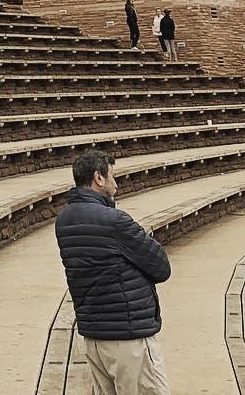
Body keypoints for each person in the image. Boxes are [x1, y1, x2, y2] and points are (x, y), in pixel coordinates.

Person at [55, 149, 171, 394]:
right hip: (128, 335)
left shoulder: (64, 220)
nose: (116, 185)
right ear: (98, 178)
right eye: (113, 177)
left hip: (95, 336)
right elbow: (161, 267)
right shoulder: (115, 221)